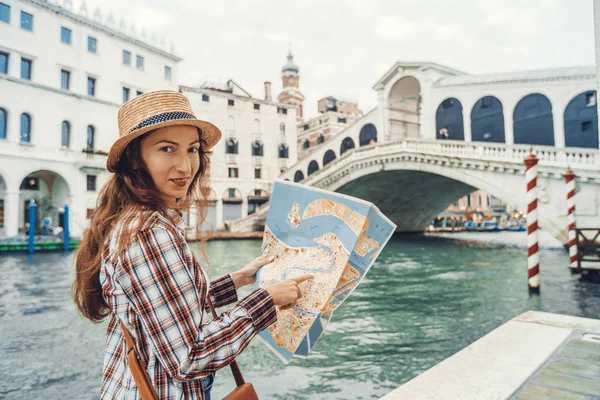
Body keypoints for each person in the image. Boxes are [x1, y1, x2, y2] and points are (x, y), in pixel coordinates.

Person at [72, 90, 312, 399]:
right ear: (135, 160)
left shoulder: (131, 220)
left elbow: (167, 307)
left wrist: (238, 279)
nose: (186, 166)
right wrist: (266, 300)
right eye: (167, 149)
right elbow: (189, 357)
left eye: (193, 149)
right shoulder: (149, 232)